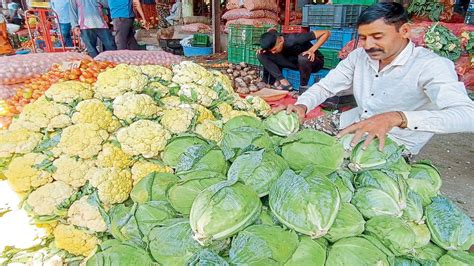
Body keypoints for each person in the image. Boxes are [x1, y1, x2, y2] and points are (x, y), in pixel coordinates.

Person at [277, 2, 474, 156]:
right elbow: (326, 87)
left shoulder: (431, 66)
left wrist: (398, 117)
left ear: (405, 31)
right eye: (363, 38)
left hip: (393, 143)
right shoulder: (358, 57)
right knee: (292, 137)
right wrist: (302, 105)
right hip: (352, 121)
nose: (368, 45)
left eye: (377, 36)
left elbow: (467, 116)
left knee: (337, 171)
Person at [257, 28, 330, 91]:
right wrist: (265, 49)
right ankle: (283, 82)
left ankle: (303, 88)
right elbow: (271, 30)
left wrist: (312, 50)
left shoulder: (295, 39)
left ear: (280, 41)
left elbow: (326, 32)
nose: (273, 52)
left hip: (312, 62)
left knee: (303, 58)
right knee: (261, 54)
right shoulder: (274, 36)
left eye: (274, 49)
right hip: (294, 61)